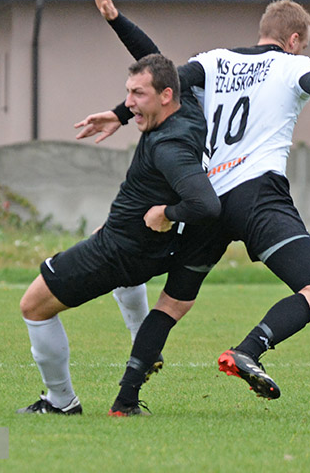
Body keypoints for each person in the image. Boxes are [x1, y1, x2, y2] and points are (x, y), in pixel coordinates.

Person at [79, 0, 310, 415]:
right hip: (259, 195)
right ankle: (249, 349)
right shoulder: (291, 66)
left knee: (172, 303)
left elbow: (161, 76)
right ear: (294, 40)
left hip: (207, 198)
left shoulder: (214, 61)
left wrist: (118, 105)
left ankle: (124, 400)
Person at [16, 53, 220, 415]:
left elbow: (206, 204)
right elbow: (156, 59)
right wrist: (113, 18)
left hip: (119, 252)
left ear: (166, 95)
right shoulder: (186, 110)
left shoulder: (168, 147)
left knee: (33, 307)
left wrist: (167, 213)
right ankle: (147, 343)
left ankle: (60, 402)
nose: (128, 104)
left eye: (138, 94)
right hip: (140, 246)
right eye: (127, 92)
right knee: (126, 280)